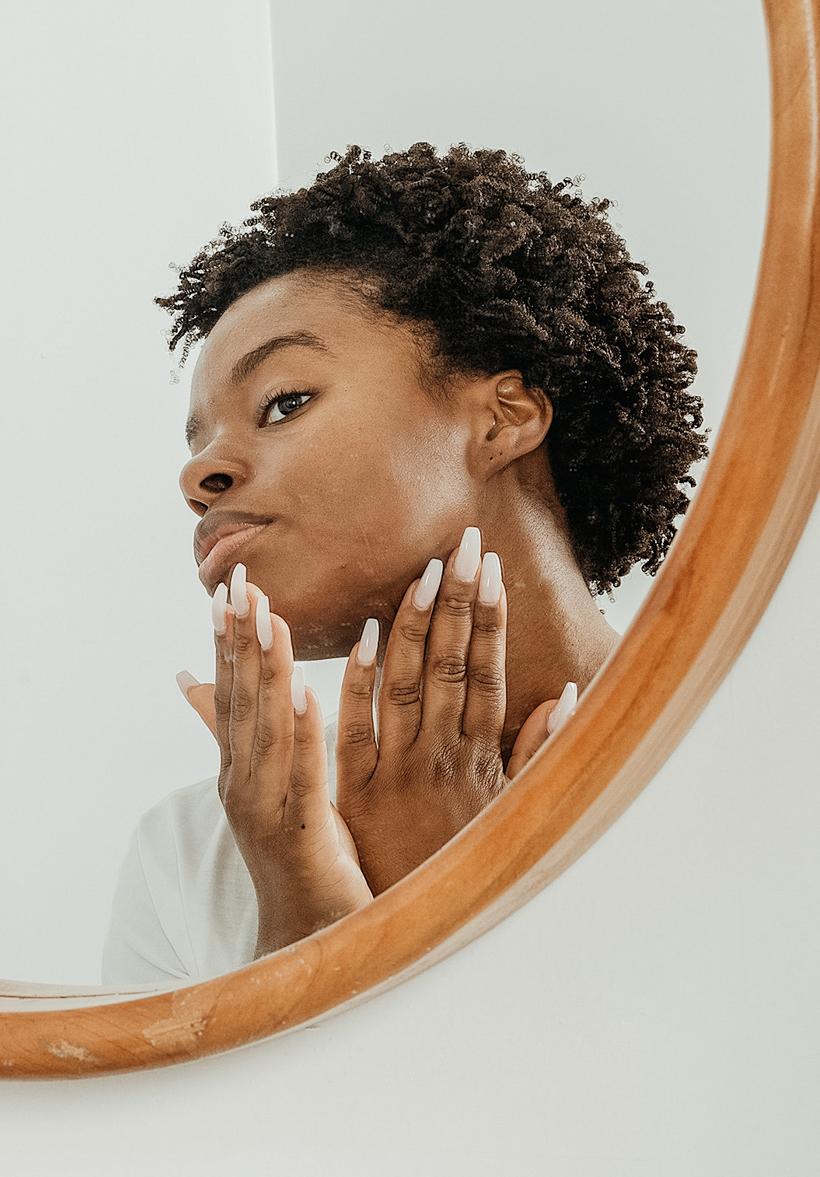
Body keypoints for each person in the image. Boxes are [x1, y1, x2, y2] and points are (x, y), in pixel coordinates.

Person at [101, 142, 707, 986]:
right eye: (198, 444)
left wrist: (453, 892)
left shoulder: (745, 747)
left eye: (283, 402)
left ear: (503, 418)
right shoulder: (188, 853)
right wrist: (305, 911)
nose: (198, 478)